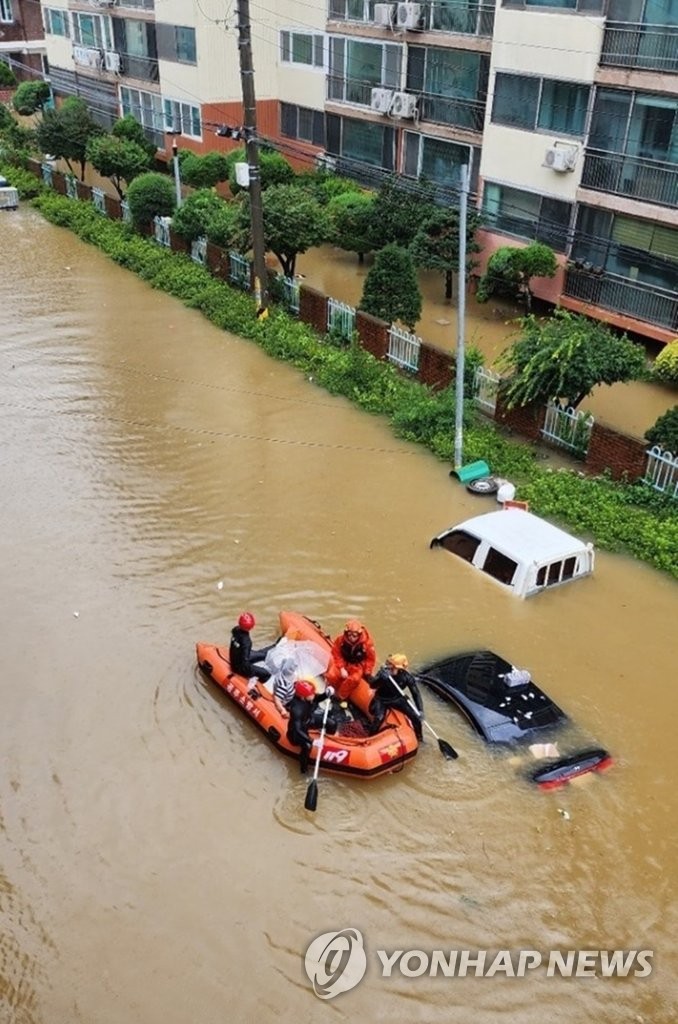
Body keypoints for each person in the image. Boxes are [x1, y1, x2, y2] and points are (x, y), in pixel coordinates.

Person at [369, 653, 423, 741]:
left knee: (416, 718)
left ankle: (420, 739)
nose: (389, 668)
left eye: (392, 667)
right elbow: (372, 685)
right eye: (389, 665)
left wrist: (420, 710)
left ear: (400, 669)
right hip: (382, 698)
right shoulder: (383, 673)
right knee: (379, 719)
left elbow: (415, 693)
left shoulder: (407, 677)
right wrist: (381, 679)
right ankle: (370, 738)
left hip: (397, 698)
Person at [286, 679, 335, 774]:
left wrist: (326, 694)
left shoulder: (308, 698)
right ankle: (303, 770)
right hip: (296, 732)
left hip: (308, 720)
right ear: (303, 697)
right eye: (311, 694)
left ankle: (330, 741)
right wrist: (312, 741)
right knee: (307, 746)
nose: (313, 695)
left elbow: (317, 698)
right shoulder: (297, 709)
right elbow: (298, 729)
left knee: (331, 723)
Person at [325, 619, 376, 701]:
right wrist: (341, 668)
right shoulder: (341, 640)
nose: (351, 637)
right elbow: (336, 653)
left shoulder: (367, 643)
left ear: (359, 634)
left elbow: (370, 659)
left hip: (357, 665)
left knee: (354, 679)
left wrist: (367, 672)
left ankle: (340, 697)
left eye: (354, 635)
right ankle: (330, 690)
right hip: (344, 662)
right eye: (349, 635)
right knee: (331, 675)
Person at [229, 611, 272, 686]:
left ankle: (274, 646)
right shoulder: (247, 641)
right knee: (266, 673)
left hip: (236, 658)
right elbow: (245, 662)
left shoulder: (235, 630)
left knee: (262, 654)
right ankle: (259, 686)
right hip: (239, 666)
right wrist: (253, 672)